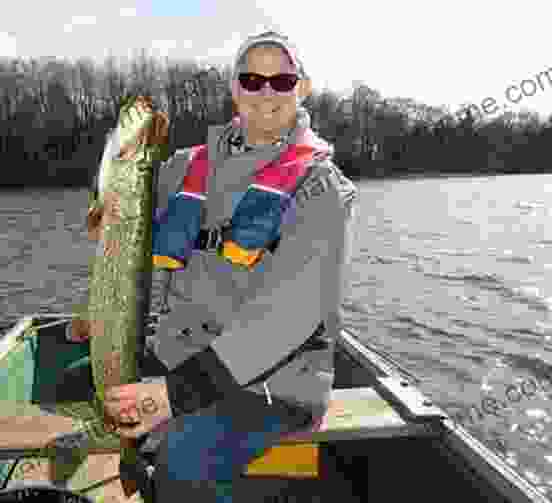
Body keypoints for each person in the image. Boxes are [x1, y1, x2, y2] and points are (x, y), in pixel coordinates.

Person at [70, 30, 358, 502]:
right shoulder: (187, 166)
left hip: (271, 383)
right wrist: (116, 177)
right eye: (252, 79)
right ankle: (136, 458)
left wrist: (173, 394)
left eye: (281, 81)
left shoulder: (323, 189)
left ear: (301, 89)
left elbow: (289, 319)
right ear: (234, 90)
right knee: (73, 378)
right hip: (180, 353)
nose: (266, 92)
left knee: (184, 462)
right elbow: (116, 193)